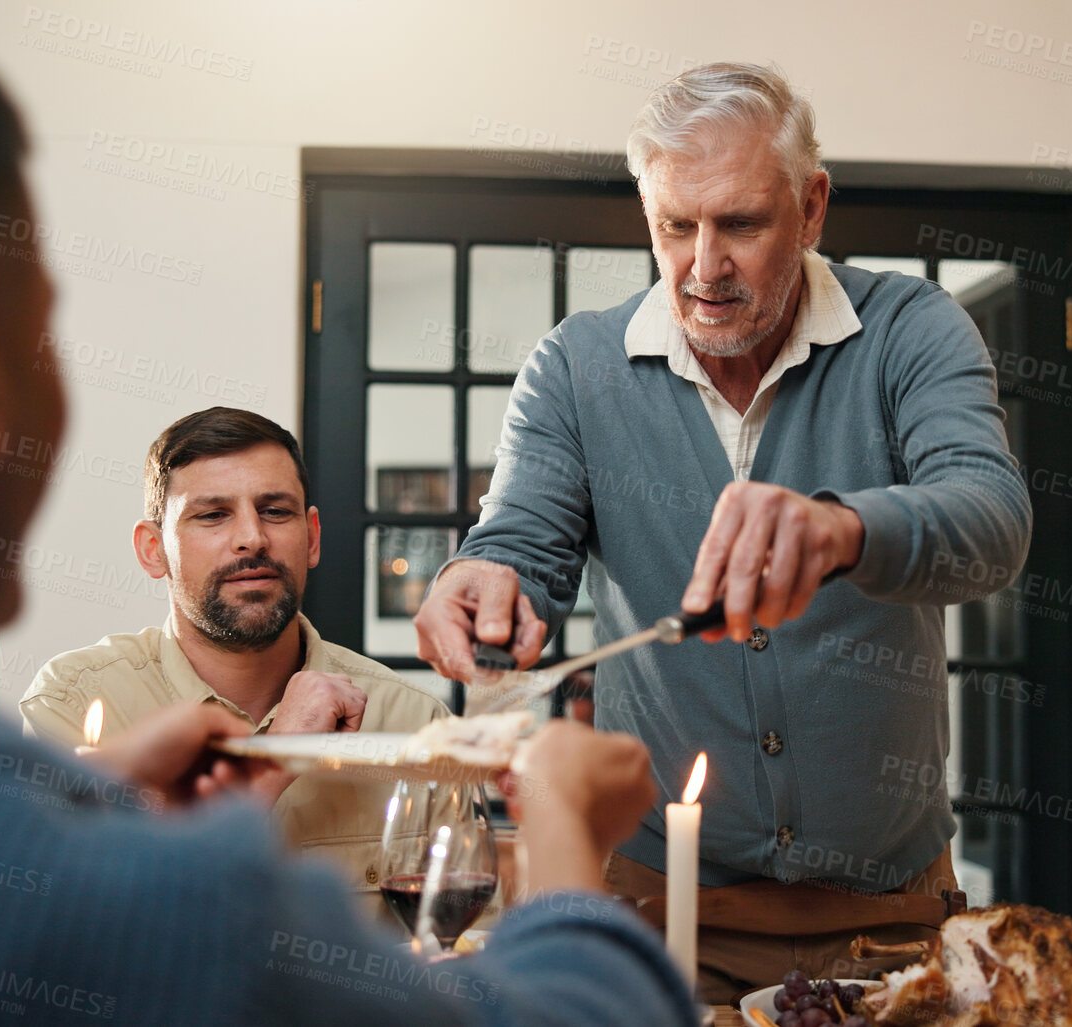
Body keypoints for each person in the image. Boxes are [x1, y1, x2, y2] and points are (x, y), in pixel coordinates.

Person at [0, 2, 695, 1023]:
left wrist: (91, 818)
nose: (248, 538)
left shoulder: (62, 831)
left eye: (275, 509)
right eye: (42, 330)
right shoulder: (121, 907)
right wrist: (563, 832)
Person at [413, 61, 1031, 1000]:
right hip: (657, 913)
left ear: (812, 206)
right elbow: (521, 542)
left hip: (887, 915)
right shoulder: (576, 368)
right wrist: (484, 574)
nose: (704, 266)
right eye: (675, 225)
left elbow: (991, 516)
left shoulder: (911, 329)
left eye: (741, 223)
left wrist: (838, 529)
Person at [19, 407, 447, 916]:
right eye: (213, 515)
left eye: (275, 511)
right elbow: (64, 926)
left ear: (311, 538)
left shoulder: (414, 724)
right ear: (153, 550)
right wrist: (276, 757)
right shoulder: (71, 702)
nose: (253, 537)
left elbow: (466, 958)